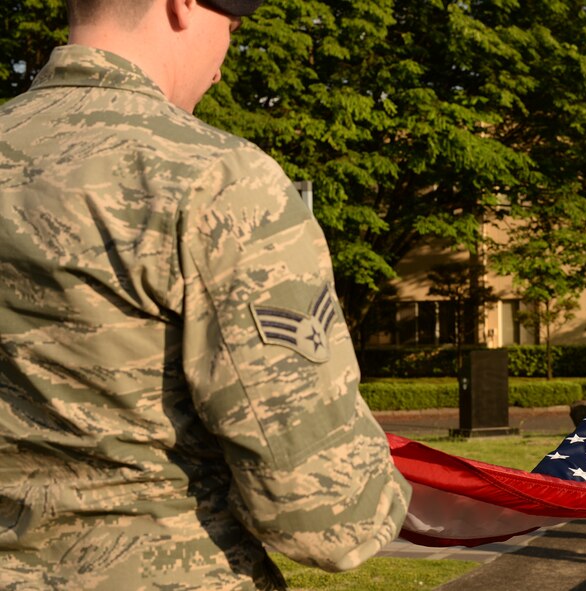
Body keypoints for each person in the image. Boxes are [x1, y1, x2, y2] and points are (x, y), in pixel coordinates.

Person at [0, 1, 411, 589]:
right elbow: (324, 517)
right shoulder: (215, 180)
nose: (220, 67)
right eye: (232, 29)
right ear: (183, 5)